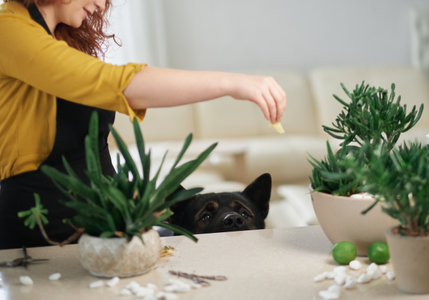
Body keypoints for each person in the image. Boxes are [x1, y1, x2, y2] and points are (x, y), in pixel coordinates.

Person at [0, 0, 286, 249]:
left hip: (98, 226)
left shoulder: (56, 40)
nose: (101, 5)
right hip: (41, 229)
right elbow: (117, 83)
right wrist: (232, 83)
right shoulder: (8, 30)